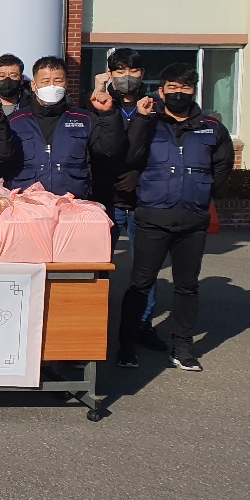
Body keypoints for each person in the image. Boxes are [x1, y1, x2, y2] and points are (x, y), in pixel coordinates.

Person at [116, 63, 234, 371]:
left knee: (187, 286)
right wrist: (141, 119)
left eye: (185, 88)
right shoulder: (149, 122)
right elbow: (129, 155)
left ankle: (182, 347)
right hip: (153, 216)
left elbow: (222, 167)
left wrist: (202, 191)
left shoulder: (212, 127)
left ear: (194, 91)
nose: (178, 93)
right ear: (161, 91)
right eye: (172, 88)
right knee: (140, 284)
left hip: (192, 220)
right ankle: (126, 346)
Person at [88, 48, 163, 352]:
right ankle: (97, 323)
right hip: (107, 197)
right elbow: (95, 149)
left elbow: (159, 152)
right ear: (109, 74)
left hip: (143, 200)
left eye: (132, 71)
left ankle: (142, 325)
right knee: (99, 265)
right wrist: (98, 92)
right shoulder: (98, 104)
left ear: (142, 74)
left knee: (145, 269)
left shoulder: (155, 108)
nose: (126, 77)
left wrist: (140, 176)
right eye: (119, 71)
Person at [5, 56, 124, 199]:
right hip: (27, 204)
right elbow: (1, 159)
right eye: (45, 81)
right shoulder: (15, 121)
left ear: (66, 83)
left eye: (58, 81)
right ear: (34, 85)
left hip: (72, 203)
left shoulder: (84, 119)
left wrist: (108, 114)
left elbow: (109, 151)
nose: (52, 86)